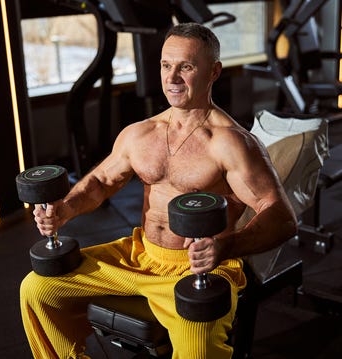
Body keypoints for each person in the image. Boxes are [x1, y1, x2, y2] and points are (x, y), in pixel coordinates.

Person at [20, 22, 297, 359]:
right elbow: (101, 182)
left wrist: (227, 246)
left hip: (198, 270)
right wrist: (65, 207)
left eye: (186, 66)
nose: (172, 77)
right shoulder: (140, 133)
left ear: (214, 72)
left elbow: (281, 216)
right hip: (139, 257)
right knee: (37, 289)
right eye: (166, 65)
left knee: (199, 347)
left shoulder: (231, 144)